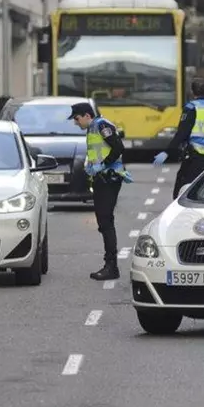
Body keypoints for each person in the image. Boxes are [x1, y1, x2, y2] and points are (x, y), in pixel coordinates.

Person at [68, 102, 131, 281]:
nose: (75, 122)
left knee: (105, 221)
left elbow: (118, 147)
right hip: (102, 178)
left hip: (108, 179)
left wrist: (103, 165)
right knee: (104, 222)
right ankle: (110, 265)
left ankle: (111, 266)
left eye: (77, 118)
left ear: (87, 115)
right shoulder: (93, 127)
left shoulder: (101, 125)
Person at [154, 78, 204, 198]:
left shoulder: (192, 108)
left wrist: (167, 152)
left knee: (181, 193)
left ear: (192, 93)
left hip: (195, 159)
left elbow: (182, 133)